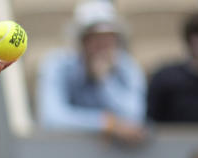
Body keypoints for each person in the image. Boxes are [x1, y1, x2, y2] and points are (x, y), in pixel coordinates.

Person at [37, 0, 147, 146]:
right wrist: (107, 124)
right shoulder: (56, 65)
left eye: (109, 38)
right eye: (94, 38)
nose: (103, 45)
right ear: (81, 41)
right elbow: (51, 118)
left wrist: (105, 80)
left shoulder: (128, 67)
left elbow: (135, 118)